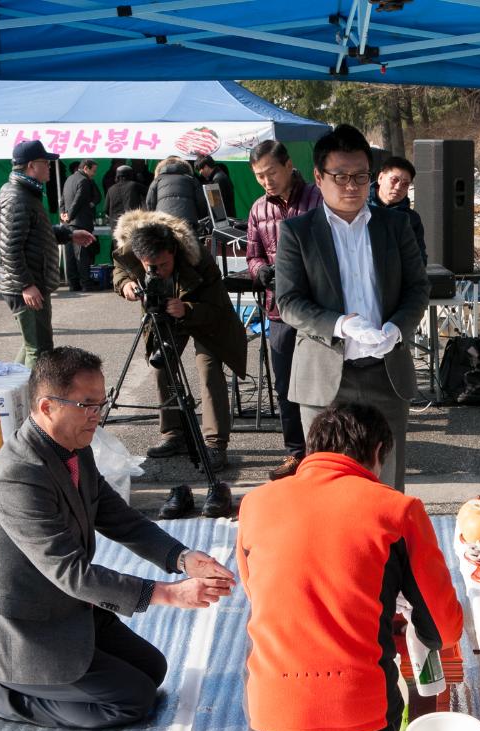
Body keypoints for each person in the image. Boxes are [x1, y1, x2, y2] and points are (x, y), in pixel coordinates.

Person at [0, 346, 236, 729]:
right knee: (130, 701)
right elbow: (72, 574)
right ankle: (2, 695)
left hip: (66, 608)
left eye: (100, 404)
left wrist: (182, 558)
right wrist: (171, 593)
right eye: (86, 405)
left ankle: (33, 684)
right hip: (23, 629)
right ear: (47, 406)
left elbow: (117, 517)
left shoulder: (72, 447)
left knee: (153, 670)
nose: (96, 417)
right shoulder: (16, 476)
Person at [236, 402, 463, 731]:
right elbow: (441, 622)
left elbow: (254, 590)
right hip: (361, 700)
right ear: (377, 452)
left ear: (312, 448)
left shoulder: (255, 503)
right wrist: (421, 636)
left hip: (279, 701)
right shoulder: (397, 509)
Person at [275, 123, 429, 493]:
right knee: (326, 487)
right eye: (340, 176)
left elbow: (417, 288)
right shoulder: (298, 231)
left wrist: (397, 328)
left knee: (387, 484)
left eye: (361, 176)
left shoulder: (394, 226)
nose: (351, 186)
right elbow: (289, 302)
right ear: (318, 177)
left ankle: (388, 550)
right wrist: (340, 325)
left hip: (386, 372)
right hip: (326, 376)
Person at [112, 208, 247, 516]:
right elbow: (118, 271)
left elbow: (217, 309)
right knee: (162, 365)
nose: (156, 271)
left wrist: (187, 309)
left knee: (209, 368)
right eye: (150, 267)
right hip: (162, 315)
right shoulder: (130, 251)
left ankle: (215, 443)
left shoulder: (199, 260)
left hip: (203, 317)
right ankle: (172, 433)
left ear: (173, 251)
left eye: (162, 265)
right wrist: (126, 286)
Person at [245, 139, 323, 480]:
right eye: (260, 176)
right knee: (286, 386)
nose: (267, 181)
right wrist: (260, 270)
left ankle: (325, 455)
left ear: (289, 165)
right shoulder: (258, 209)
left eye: (271, 172)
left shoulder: (318, 199)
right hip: (278, 310)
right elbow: (252, 254)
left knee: (323, 384)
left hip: (319, 308)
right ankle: (296, 453)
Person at [0, 139, 95, 366]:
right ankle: (33, 399)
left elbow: (35, 232)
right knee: (39, 351)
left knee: (32, 345)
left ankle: (17, 394)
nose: (50, 167)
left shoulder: (25, 192)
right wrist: (25, 285)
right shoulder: (17, 196)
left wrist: (68, 234)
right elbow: (9, 247)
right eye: (46, 163)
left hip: (30, 281)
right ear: (31, 166)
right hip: (26, 284)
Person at [368, 155, 426, 264]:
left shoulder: (411, 218)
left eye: (405, 184)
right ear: (380, 178)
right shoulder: (359, 208)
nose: (398, 187)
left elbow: (420, 260)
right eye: (394, 180)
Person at [60, 158, 100, 291]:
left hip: (68, 223)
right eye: (93, 170)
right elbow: (78, 200)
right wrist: (70, 215)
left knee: (71, 255)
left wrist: (63, 214)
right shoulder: (84, 181)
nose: (94, 174)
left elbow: (62, 199)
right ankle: (86, 284)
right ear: (86, 168)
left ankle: (73, 284)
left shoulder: (69, 179)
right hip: (80, 222)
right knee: (82, 256)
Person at [145, 156, 207, 237]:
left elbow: (149, 203)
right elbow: (201, 202)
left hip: (163, 221)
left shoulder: (157, 180)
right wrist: (199, 217)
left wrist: (154, 217)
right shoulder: (192, 179)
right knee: (189, 247)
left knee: (165, 247)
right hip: (188, 222)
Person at [105, 164, 147, 252]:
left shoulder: (111, 189)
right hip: (131, 223)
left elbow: (106, 209)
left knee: (118, 251)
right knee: (133, 251)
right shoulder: (134, 185)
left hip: (116, 226)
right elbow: (149, 195)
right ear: (130, 174)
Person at [194, 155, 235, 221]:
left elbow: (216, 207)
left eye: (200, 170)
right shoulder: (221, 175)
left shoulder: (217, 180)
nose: (200, 173)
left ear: (206, 167)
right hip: (227, 218)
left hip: (224, 221)